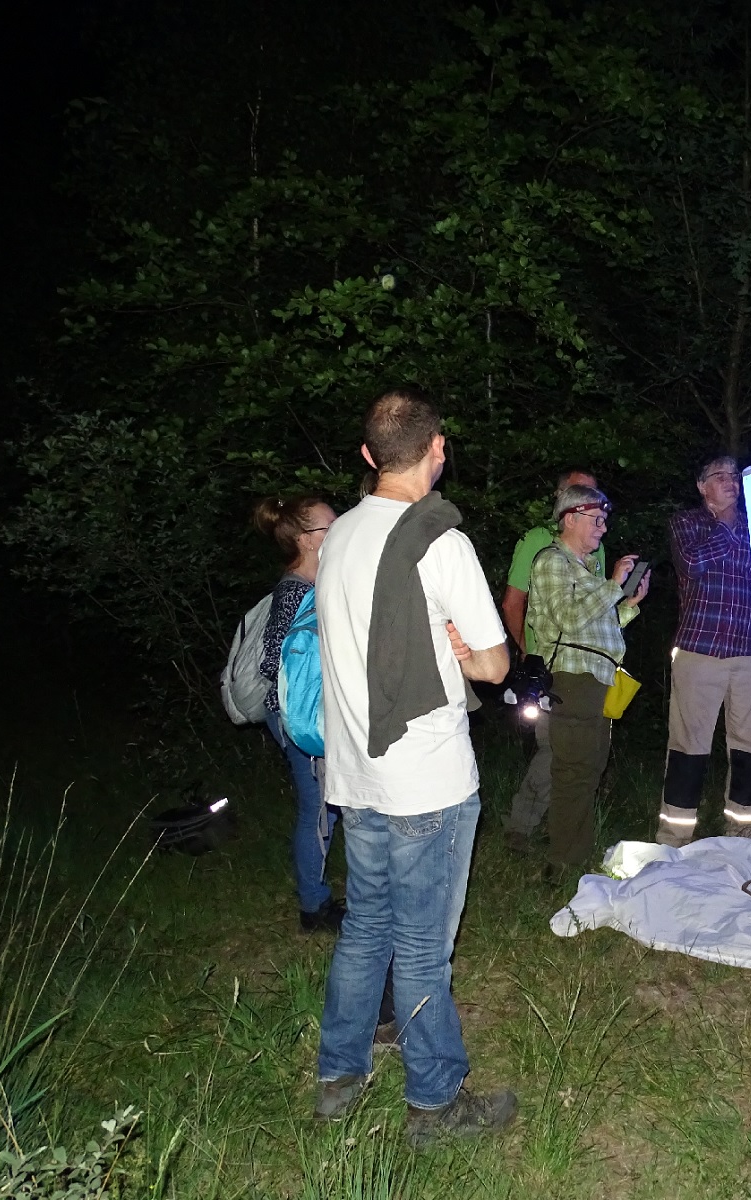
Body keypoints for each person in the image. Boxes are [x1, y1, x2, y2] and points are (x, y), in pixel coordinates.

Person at [311, 386, 517, 1147]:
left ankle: (339, 1076)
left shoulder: (337, 537)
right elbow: (495, 665)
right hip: (427, 780)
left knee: (365, 927)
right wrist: (470, 651)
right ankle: (434, 1105)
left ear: (368, 456)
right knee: (425, 946)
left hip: (357, 777)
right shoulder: (441, 540)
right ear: (438, 450)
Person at [526, 483, 649, 875]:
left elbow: (603, 631)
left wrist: (628, 604)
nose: (603, 528)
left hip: (596, 680)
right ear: (570, 518)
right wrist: (613, 586)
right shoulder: (552, 561)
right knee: (574, 773)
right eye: (597, 520)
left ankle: (573, 854)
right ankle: (562, 862)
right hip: (571, 679)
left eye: (605, 520)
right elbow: (568, 620)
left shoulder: (585, 571)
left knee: (589, 769)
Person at [655, 454, 751, 847]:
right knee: (689, 749)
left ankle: (741, 836)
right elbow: (693, 563)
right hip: (700, 652)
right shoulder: (687, 523)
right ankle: (675, 840)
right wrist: (723, 523)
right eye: (720, 476)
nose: (731, 481)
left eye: (735, 476)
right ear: (703, 487)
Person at [499, 468, 603, 853]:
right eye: (580, 495)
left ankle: (554, 830)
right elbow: (513, 602)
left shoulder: (595, 546)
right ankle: (523, 827)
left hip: (586, 667)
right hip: (549, 665)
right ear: (563, 503)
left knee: (571, 751)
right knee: (555, 748)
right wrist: (529, 654)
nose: (594, 506)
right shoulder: (539, 542)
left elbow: (593, 607)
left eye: (595, 496)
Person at [252, 494, 342, 932]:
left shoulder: (314, 586)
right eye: (330, 527)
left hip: (311, 714)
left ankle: (317, 897)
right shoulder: (294, 592)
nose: (339, 531)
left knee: (328, 806)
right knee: (318, 809)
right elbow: (271, 663)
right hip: (299, 717)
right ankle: (313, 908)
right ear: (306, 541)